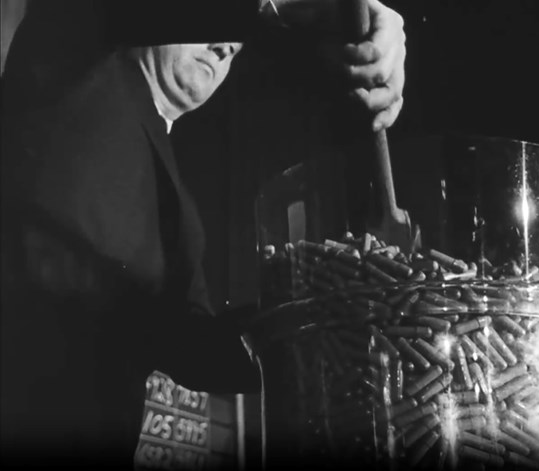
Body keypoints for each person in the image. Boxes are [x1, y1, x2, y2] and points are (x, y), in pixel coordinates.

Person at [0, 0, 406, 467]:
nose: (224, 47)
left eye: (232, 51)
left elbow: (191, 346)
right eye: (215, 29)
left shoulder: (181, 212)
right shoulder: (75, 47)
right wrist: (313, 8)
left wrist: (332, 316)